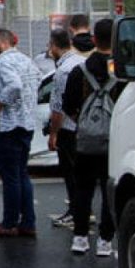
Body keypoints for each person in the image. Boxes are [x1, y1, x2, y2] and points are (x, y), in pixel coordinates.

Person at [63, 19, 125, 257]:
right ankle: (105, 240)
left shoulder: (80, 71)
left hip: (86, 140)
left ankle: (80, 237)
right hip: (114, 140)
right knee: (109, 189)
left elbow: (69, 105)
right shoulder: (122, 70)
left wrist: (84, 120)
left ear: (94, 40)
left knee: (83, 188)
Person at [0, 28, 42, 237]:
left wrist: (1, 100)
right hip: (26, 122)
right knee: (21, 174)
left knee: (10, 176)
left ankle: (9, 222)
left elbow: (14, 85)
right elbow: (37, 79)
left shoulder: (3, 62)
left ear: (4, 43)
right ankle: (28, 221)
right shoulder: (26, 60)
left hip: (9, 124)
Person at [46, 28, 86, 229]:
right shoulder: (81, 62)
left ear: (54, 45)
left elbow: (57, 108)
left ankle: (75, 212)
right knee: (82, 174)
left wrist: (53, 133)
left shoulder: (62, 71)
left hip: (68, 129)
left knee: (70, 174)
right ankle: (84, 210)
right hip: (85, 125)